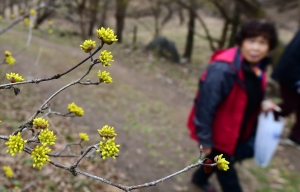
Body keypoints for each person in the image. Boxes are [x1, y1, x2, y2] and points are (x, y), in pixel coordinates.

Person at [187, 19, 278, 192]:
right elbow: (205, 105)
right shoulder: (223, 69)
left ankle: (199, 178)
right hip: (219, 134)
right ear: (241, 41)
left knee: (213, 160)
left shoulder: (257, 67)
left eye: (262, 43)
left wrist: (263, 102)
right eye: (251, 41)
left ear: (269, 46)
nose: (256, 48)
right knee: (227, 174)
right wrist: (205, 138)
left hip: (238, 131)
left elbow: (251, 94)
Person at [272, 30, 300, 145]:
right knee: (288, 105)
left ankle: (296, 137)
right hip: (290, 76)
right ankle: (260, 122)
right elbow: (291, 58)